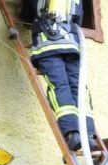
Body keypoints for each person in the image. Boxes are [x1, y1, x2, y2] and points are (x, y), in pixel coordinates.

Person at [27, 0, 97, 152]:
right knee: (79, 88)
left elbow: (29, 10)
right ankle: (89, 135)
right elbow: (78, 17)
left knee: (59, 87)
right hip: (72, 45)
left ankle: (72, 134)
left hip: (47, 46)